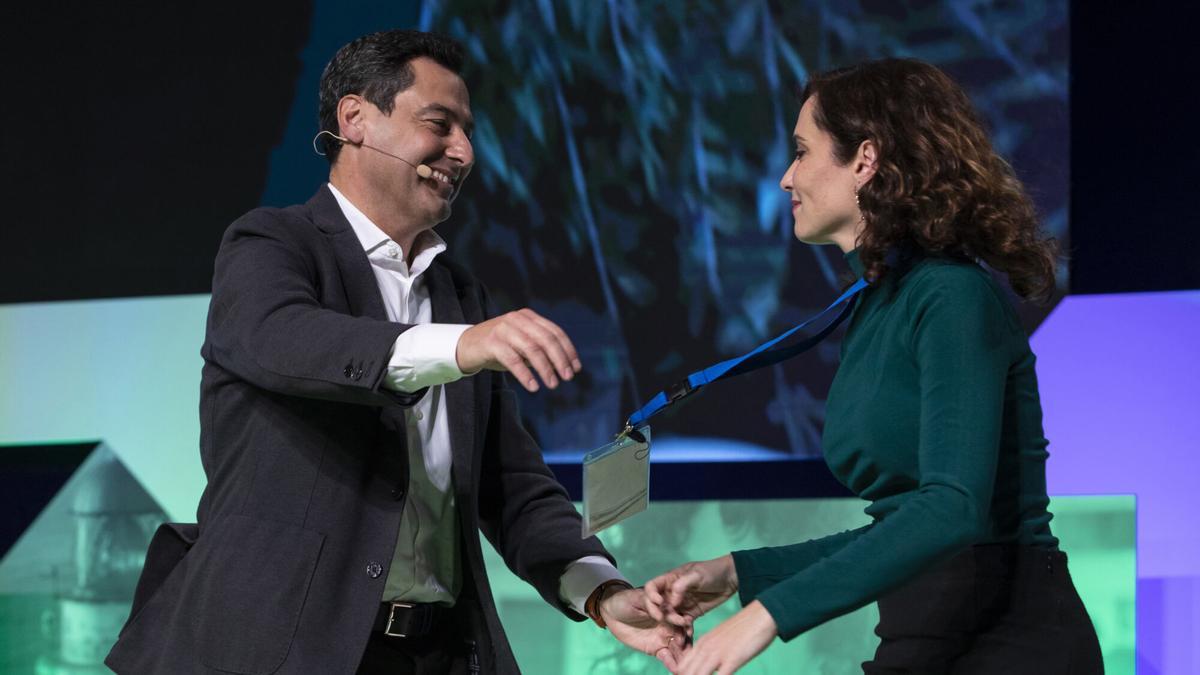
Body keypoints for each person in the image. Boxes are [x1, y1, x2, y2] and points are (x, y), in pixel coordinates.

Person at [105, 29, 684, 675]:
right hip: (285, 652)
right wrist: (461, 345)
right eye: (439, 124)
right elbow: (283, 338)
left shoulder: (462, 294)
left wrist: (603, 591)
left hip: (440, 653)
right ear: (355, 119)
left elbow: (512, 485)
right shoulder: (271, 242)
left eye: (468, 132)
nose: (463, 152)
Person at [644, 58, 1103, 674]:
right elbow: (903, 526)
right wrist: (738, 574)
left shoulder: (951, 295)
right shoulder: (882, 302)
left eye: (801, 152)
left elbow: (952, 511)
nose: (785, 178)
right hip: (928, 638)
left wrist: (768, 615)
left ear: (865, 160)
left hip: (1010, 645)